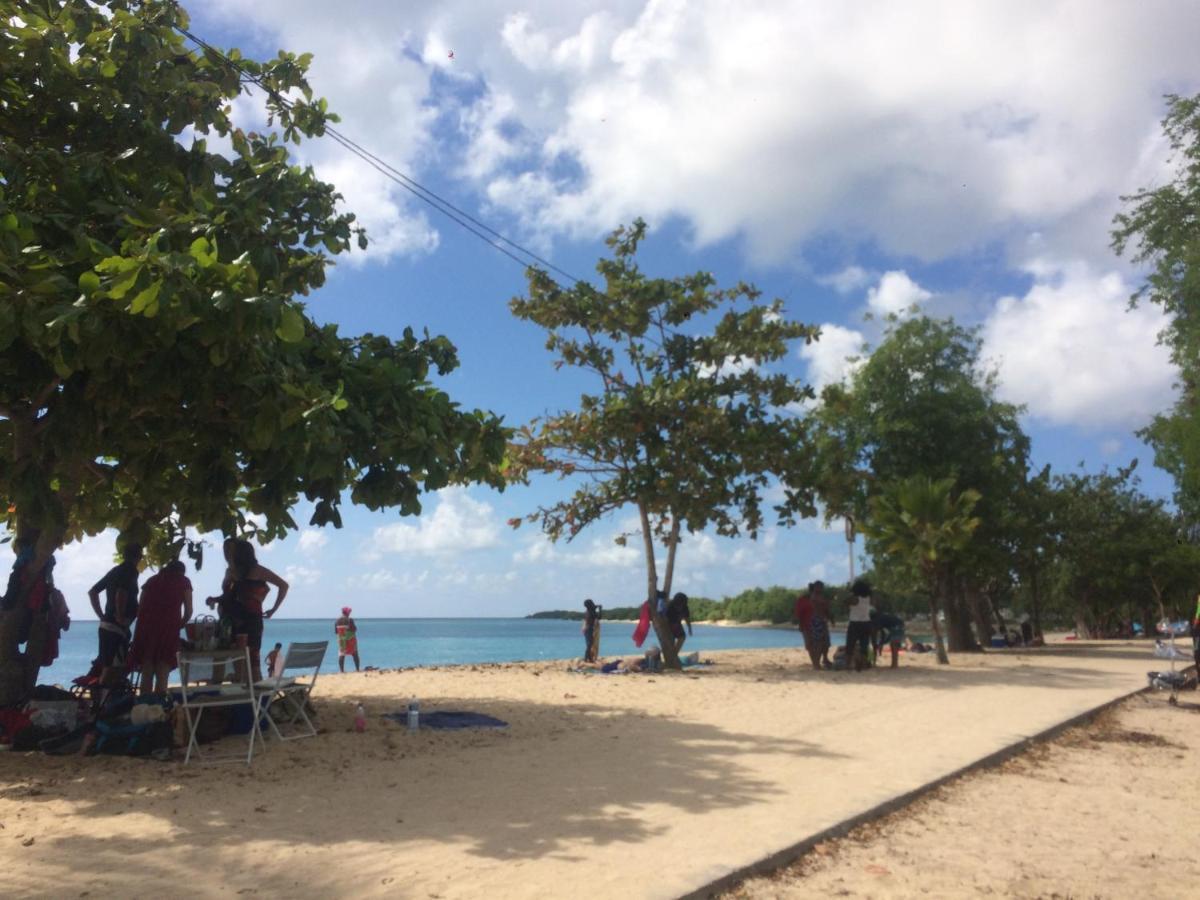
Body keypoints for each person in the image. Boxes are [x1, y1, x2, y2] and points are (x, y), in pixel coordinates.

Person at [128, 560, 192, 695]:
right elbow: (189, 611)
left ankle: (144, 706)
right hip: (168, 629)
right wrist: (179, 625)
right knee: (163, 670)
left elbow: (140, 608)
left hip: (146, 629)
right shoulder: (183, 581)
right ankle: (159, 708)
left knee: (147, 671)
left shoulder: (151, 581)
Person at [229, 540, 288, 682]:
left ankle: (256, 696)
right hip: (237, 620)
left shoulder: (257, 570)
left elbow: (283, 585)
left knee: (252, 658)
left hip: (251, 620)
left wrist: (274, 609)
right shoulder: (235, 571)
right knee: (240, 658)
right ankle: (248, 695)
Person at [88, 543, 143, 685]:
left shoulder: (115, 571)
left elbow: (93, 592)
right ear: (139, 556)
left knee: (109, 665)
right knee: (112, 667)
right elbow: (121, 592)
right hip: (116, 627)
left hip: (107, 624)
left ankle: (102, 699)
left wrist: (101, 615)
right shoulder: (130, 570)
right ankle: (102, 702)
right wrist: (119, 616)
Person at [844, 579, 874, 672]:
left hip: (855, 623)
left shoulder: (855, 599)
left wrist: (849, 593)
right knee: (864, 645)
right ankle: (863, 664)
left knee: (850, 645)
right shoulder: (869, 599)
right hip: (866, 623)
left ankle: (848, 665)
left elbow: (845, 602)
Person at [335, 606, 360, 672]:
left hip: (342, 641)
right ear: (347, 613)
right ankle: (357, 669)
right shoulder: (350, 620)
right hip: (350, 640)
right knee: (355, 654)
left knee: (341, 655)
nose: (349, 613)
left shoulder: (337, 621)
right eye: (349, 612)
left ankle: (341, 670)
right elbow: (354, 629)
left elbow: (336, 632)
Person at [582, 598, 601, 662]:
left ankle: (589, 658)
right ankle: (586, 658)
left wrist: (598, 608)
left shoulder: (589, 611)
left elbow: (597, 616)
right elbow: (599, 617)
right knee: (589, 644)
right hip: (588, 628)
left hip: (587, 628)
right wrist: (600, 609)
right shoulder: (591, 611)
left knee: (590, 644)